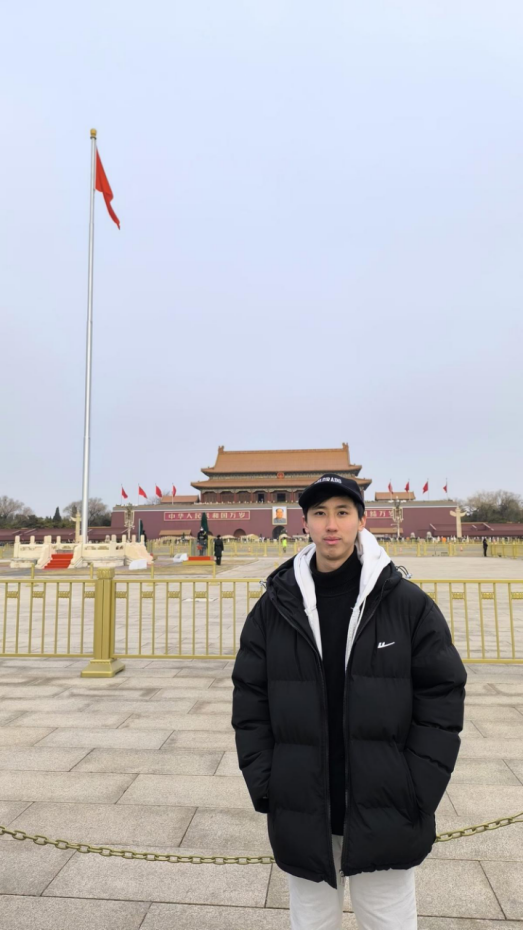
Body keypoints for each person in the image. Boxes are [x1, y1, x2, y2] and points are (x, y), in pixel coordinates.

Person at [232, 474, 467, 931]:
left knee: (390, 922)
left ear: (362, 520)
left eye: (342, 512)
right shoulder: (275, 607)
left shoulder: (406, 604)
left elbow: (442, 695)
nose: (331, 524)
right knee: (311, 923)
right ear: (304, 523)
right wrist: (268, 783)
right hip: (302, 801)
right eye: (320, 513)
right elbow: (250, 700)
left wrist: (417, 787)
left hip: (388, 801)